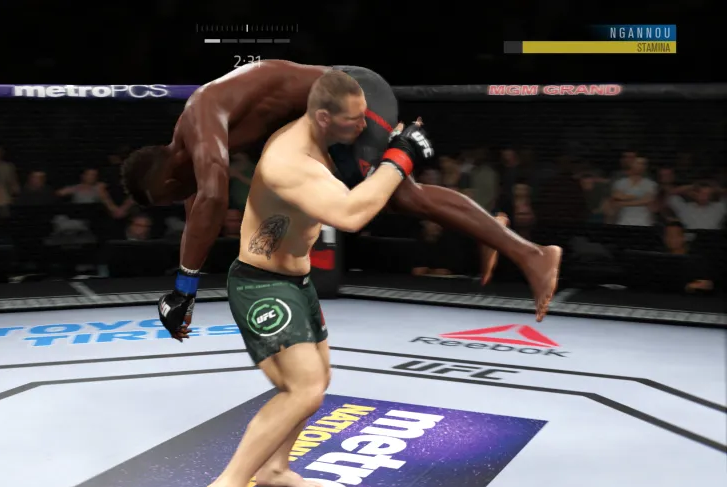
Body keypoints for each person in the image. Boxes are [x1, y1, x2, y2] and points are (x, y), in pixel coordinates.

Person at [121, 60, 562, 340]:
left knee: (397, 196)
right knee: (402, 198)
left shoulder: (200, 115)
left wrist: (184, 289)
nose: (178, 200)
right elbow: (200, 207)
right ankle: (495, 232)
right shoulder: (192, 156)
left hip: (352, 93)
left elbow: (212, 198)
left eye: (165, 199)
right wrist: (186, 295)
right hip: (328, 117)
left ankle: (532, 254)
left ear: (165, 179)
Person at [203, 69, 435, 487]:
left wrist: (385, 142)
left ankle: (275, 468)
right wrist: (401, 155)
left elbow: (356, 164)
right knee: (304, 388)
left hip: (297, 280)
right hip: (261, 284)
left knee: (317, 381)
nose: (363, 126)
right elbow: (351, 214)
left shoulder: (324, 139)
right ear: (324, 117)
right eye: (354, 120)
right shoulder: (287, 160)